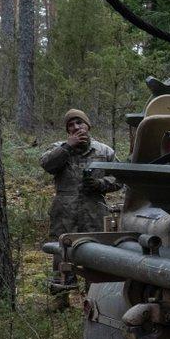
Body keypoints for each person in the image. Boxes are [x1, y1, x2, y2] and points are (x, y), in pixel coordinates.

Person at [41, 110, 119, 301]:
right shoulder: (59, 148)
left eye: (79, 123)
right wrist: (68, 147)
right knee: (62, 254)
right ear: (67, 130)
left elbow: (120, 178)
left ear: (88, 125)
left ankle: (94, 300)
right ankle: (61, 300)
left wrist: (101, 184)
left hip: (94, 211)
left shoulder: (104, 151)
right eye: (71, 125)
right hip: (65, 211)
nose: (76, 127)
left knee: (95, 253)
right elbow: (47, 164)